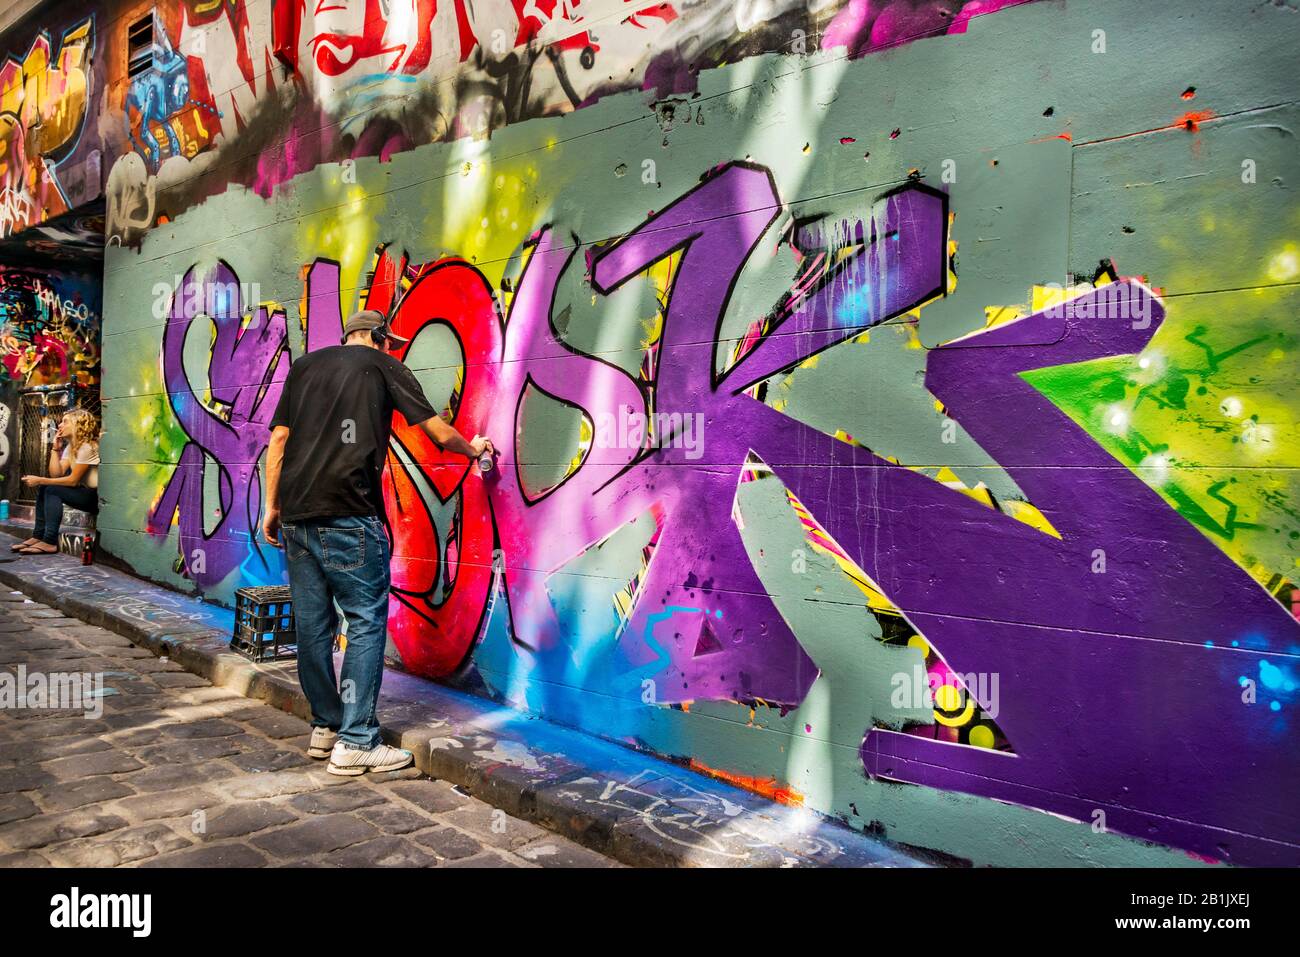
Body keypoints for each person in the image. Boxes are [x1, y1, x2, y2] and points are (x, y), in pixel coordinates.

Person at [262, 309, 494, 776]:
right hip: (348, 514)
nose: (393, 349)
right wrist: (475, 448)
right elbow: (436, 431)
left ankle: (326, 726)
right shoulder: (383, 366)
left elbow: (279, 440)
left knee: (313, 626)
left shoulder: (304, 366)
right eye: (391, 342)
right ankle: (357, 741)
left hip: (297, 516)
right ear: (379, 337)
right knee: (366, 621)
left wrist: (272, 505)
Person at [15, 408, 100, 555]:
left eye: (65, 422)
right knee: (46, 487)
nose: (59, 425)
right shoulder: (71, 447)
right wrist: (55, 449)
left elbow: (73, 481)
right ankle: (38, 536)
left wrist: (40, 479)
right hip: (84, 493)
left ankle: (49, 541)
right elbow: (56, 474)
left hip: (96, 499)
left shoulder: (87, 447)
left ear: (78, 424)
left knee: (51, 488)